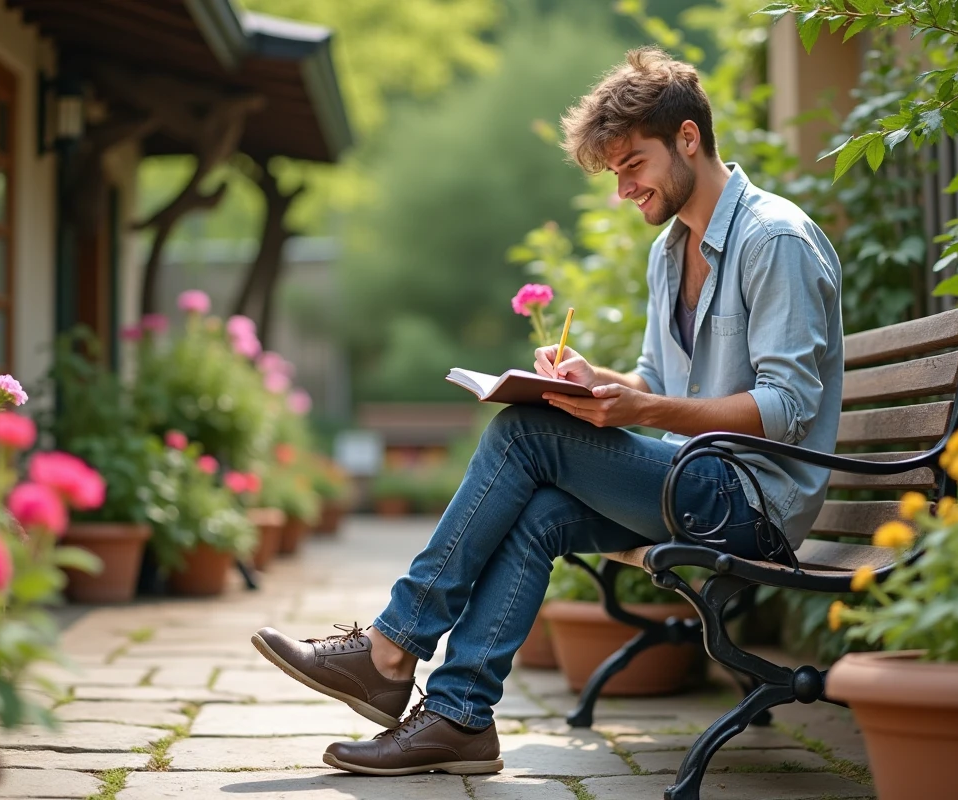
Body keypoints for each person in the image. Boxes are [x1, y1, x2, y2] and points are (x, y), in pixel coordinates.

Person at [250, 46, 844, 777]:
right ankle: (460, 718)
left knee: (524, 433)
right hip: (698, 480)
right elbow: (657, 380)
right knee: (537, 514)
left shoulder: (772, 239)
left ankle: (390, 649)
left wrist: (647, 403)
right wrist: (598, 381)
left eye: (633, 164)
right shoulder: (670, 252)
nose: (624, 187)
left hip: (753, 504)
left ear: (689, 137)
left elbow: (787, 409)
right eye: (615, 172)